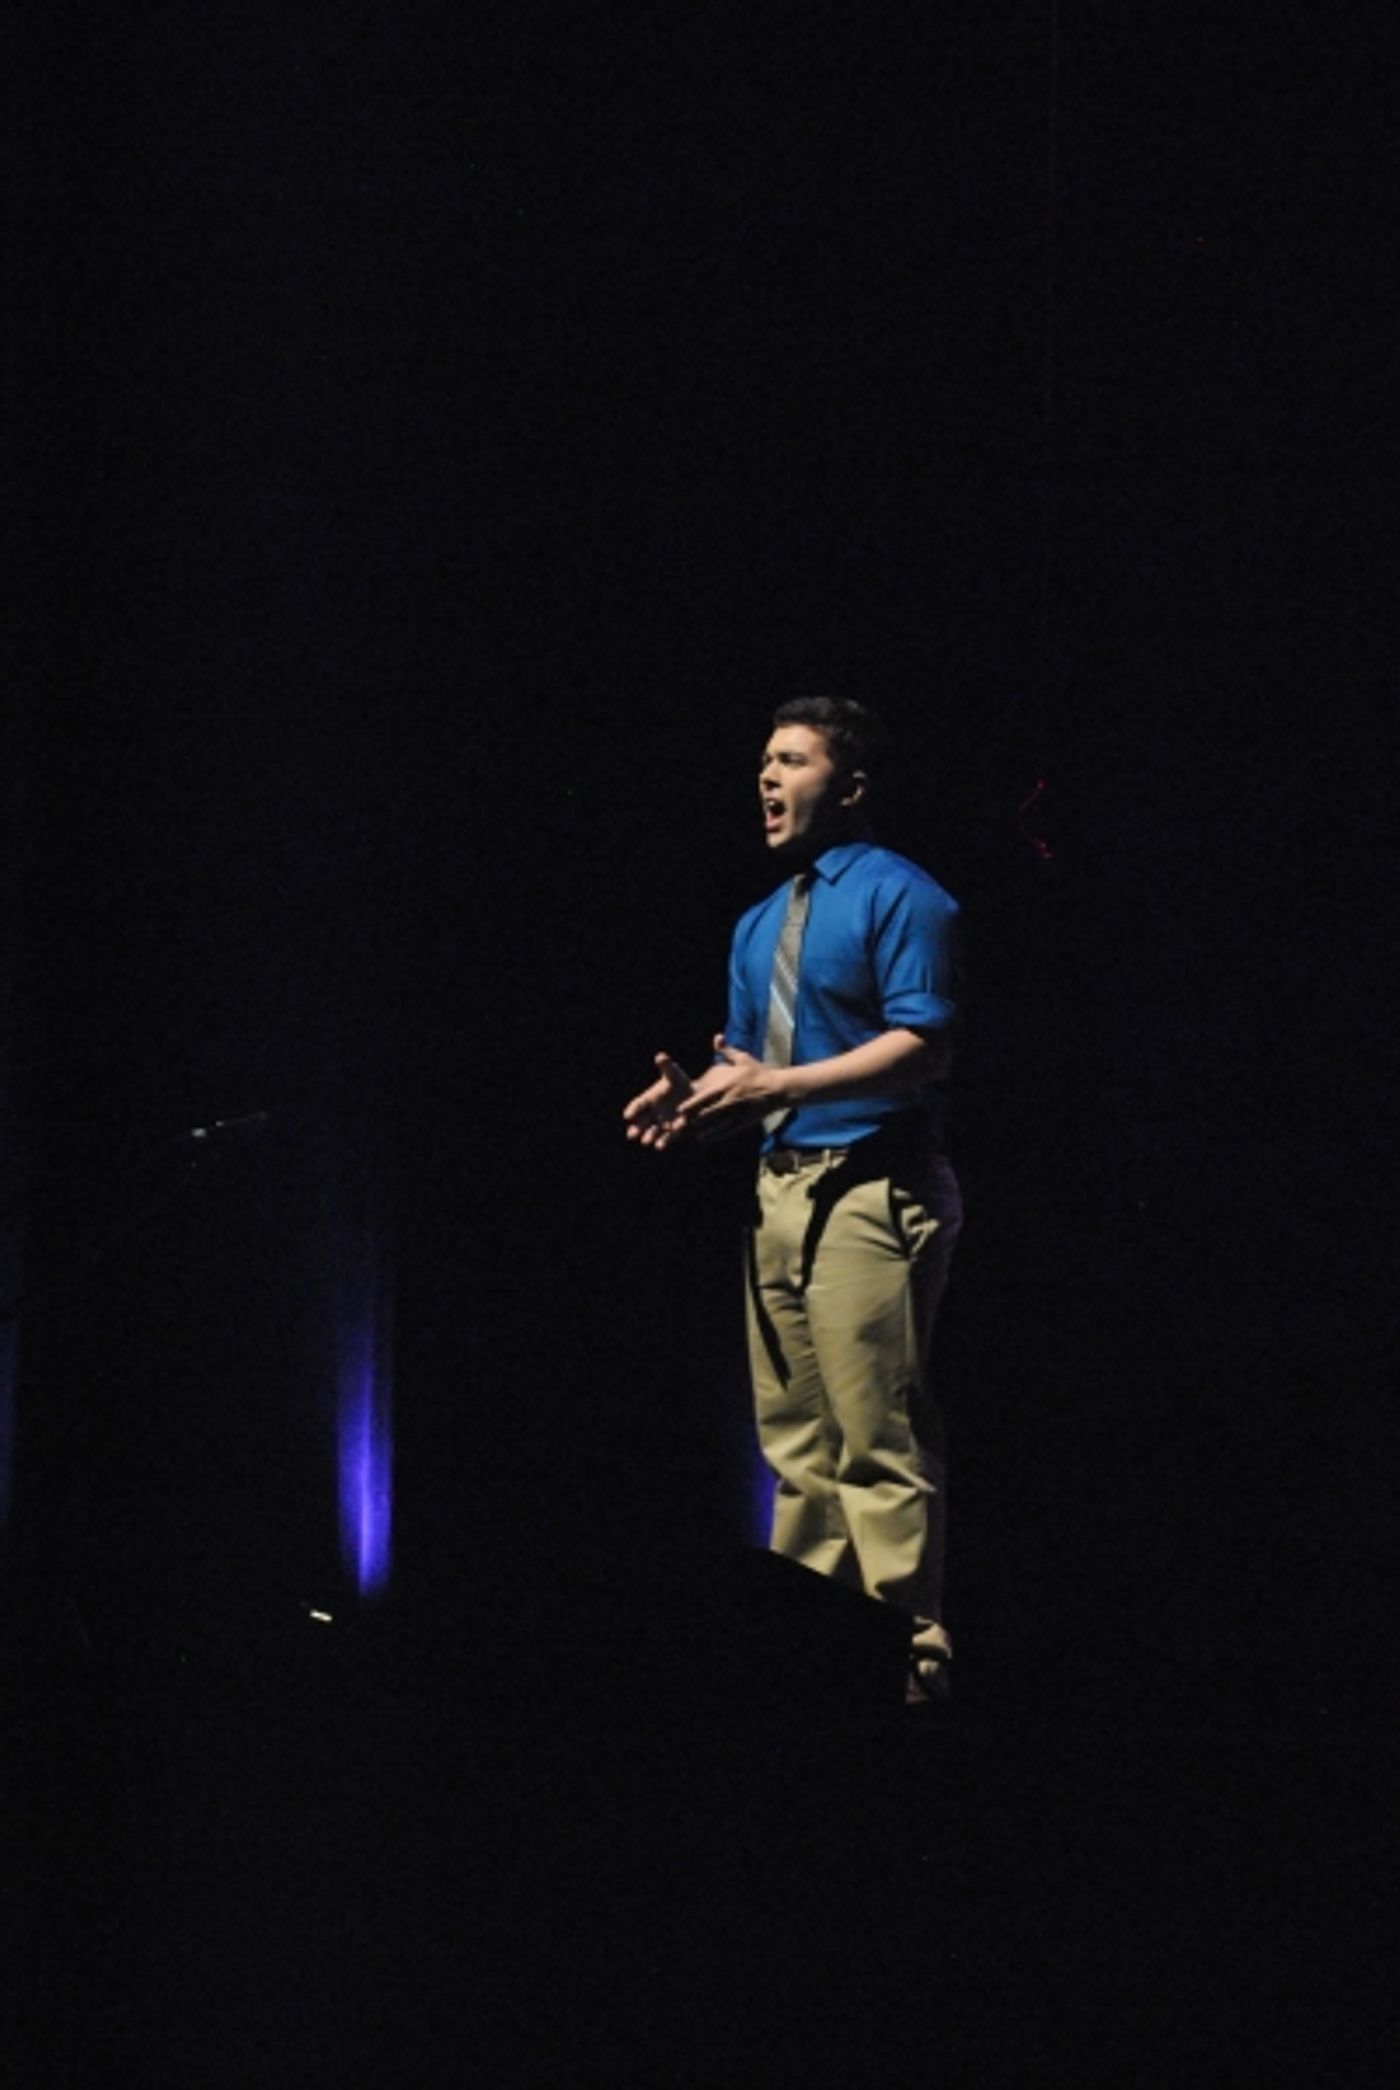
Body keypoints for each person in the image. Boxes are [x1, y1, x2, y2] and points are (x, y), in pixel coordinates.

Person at [623, 696, 963, 1705]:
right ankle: (810, 1663)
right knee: (794, 1444)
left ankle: (913, 1661)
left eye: (790, 761)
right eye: (761, 761)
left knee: (873, 1432)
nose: (766, 779)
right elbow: (752, 1070)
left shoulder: (904, 896)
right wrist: (694, 1103)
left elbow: (922, 1044)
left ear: (848, 784)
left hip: (872, 1179)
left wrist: (773, 1088)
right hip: (779, 1189)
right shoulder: (758, 922)